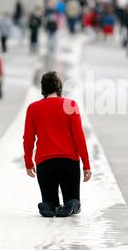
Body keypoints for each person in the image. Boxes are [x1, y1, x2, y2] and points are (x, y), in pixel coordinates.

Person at [23, 71, 92, 218]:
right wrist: (86, 165)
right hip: (69, 162)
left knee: (49, 200)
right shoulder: (70, 105)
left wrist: (28, 163)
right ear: (59, 88)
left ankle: (47, 206)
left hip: (45, 163)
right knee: (73, 199)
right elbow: (79, 137)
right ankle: (71, 206)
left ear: (43, 89)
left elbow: (28, 139)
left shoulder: (33, 108)